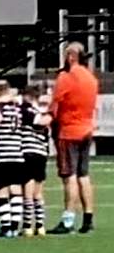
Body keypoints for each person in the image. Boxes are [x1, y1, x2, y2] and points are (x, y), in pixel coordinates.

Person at [49, 42, 99, 234]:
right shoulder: (91, 78)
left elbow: (56, 105)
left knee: (69, 176)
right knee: (83, 175)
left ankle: (68, 220)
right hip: (86, 129)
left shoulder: (66, 77)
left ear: (70, 56)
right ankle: (88, 219)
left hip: (69, 131)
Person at [0, 81, 25, 238]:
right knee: (15, 189)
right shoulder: (16, 107)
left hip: (2, 154)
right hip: (17, 152)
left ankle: (6, 226)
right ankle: (15, 226)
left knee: (2, 189)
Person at [20, 85, 52, 236]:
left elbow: (38, 122)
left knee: (28, 190)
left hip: (29, 153)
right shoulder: (42, 111)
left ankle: (27, 225)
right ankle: (40, 224)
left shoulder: (25, 110)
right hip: (41, 154)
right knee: (38, 192)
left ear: (27, 96)